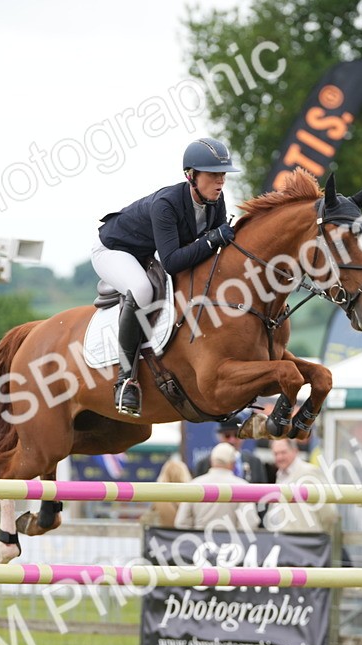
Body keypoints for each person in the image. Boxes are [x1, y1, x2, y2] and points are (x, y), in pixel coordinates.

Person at [93, 137, 240, 417]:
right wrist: (210, 241)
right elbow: (172, 262)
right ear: (191, 176)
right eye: (212, 175)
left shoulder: (215, 203)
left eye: (222, 175)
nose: (220, 182)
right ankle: (126, 379)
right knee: (142, 289)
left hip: (148, 253)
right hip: (114, 250)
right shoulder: (167, 204)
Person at [174, 443, 258, 534]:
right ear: (233, 464)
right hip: (232, 544)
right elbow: (249, 524)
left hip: (199, 544)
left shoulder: (194, 485)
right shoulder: (243, 487)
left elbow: (181, 522)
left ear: (211, 461)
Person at [264, 439, 338, 534]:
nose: (279, 457)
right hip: (283, 540)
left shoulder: (309, 472)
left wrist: (318, 536)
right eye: (276, 454)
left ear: (295, 451)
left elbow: (328, 512)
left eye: (283, 452)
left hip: (306, 541)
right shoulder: (280, 475)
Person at [192, 420, 269, 484]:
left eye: (236, 435)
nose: (232, 440)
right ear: (219, 437)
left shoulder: (255, 462)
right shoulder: (203, 464)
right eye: (227, 436)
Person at [140, 458, 192, 529]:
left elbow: (144, 521)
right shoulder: (191, 497)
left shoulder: (158, 500)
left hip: (163, 537)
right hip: (187, 536)